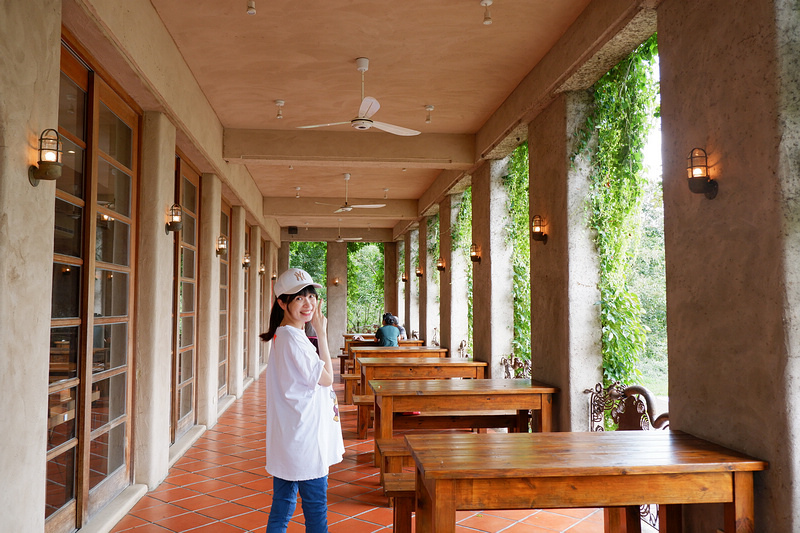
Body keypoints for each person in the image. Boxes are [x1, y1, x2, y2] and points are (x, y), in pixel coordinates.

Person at [260, 268, 344, 533]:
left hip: (292, 436)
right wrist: (320, 330)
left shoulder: (285, 334)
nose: (308, 304)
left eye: (311, 296)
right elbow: (328, 378)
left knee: (283, 507)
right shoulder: (292, 338)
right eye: (298, 298)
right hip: (306, 440)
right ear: (282, 303)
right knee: (316, 513)